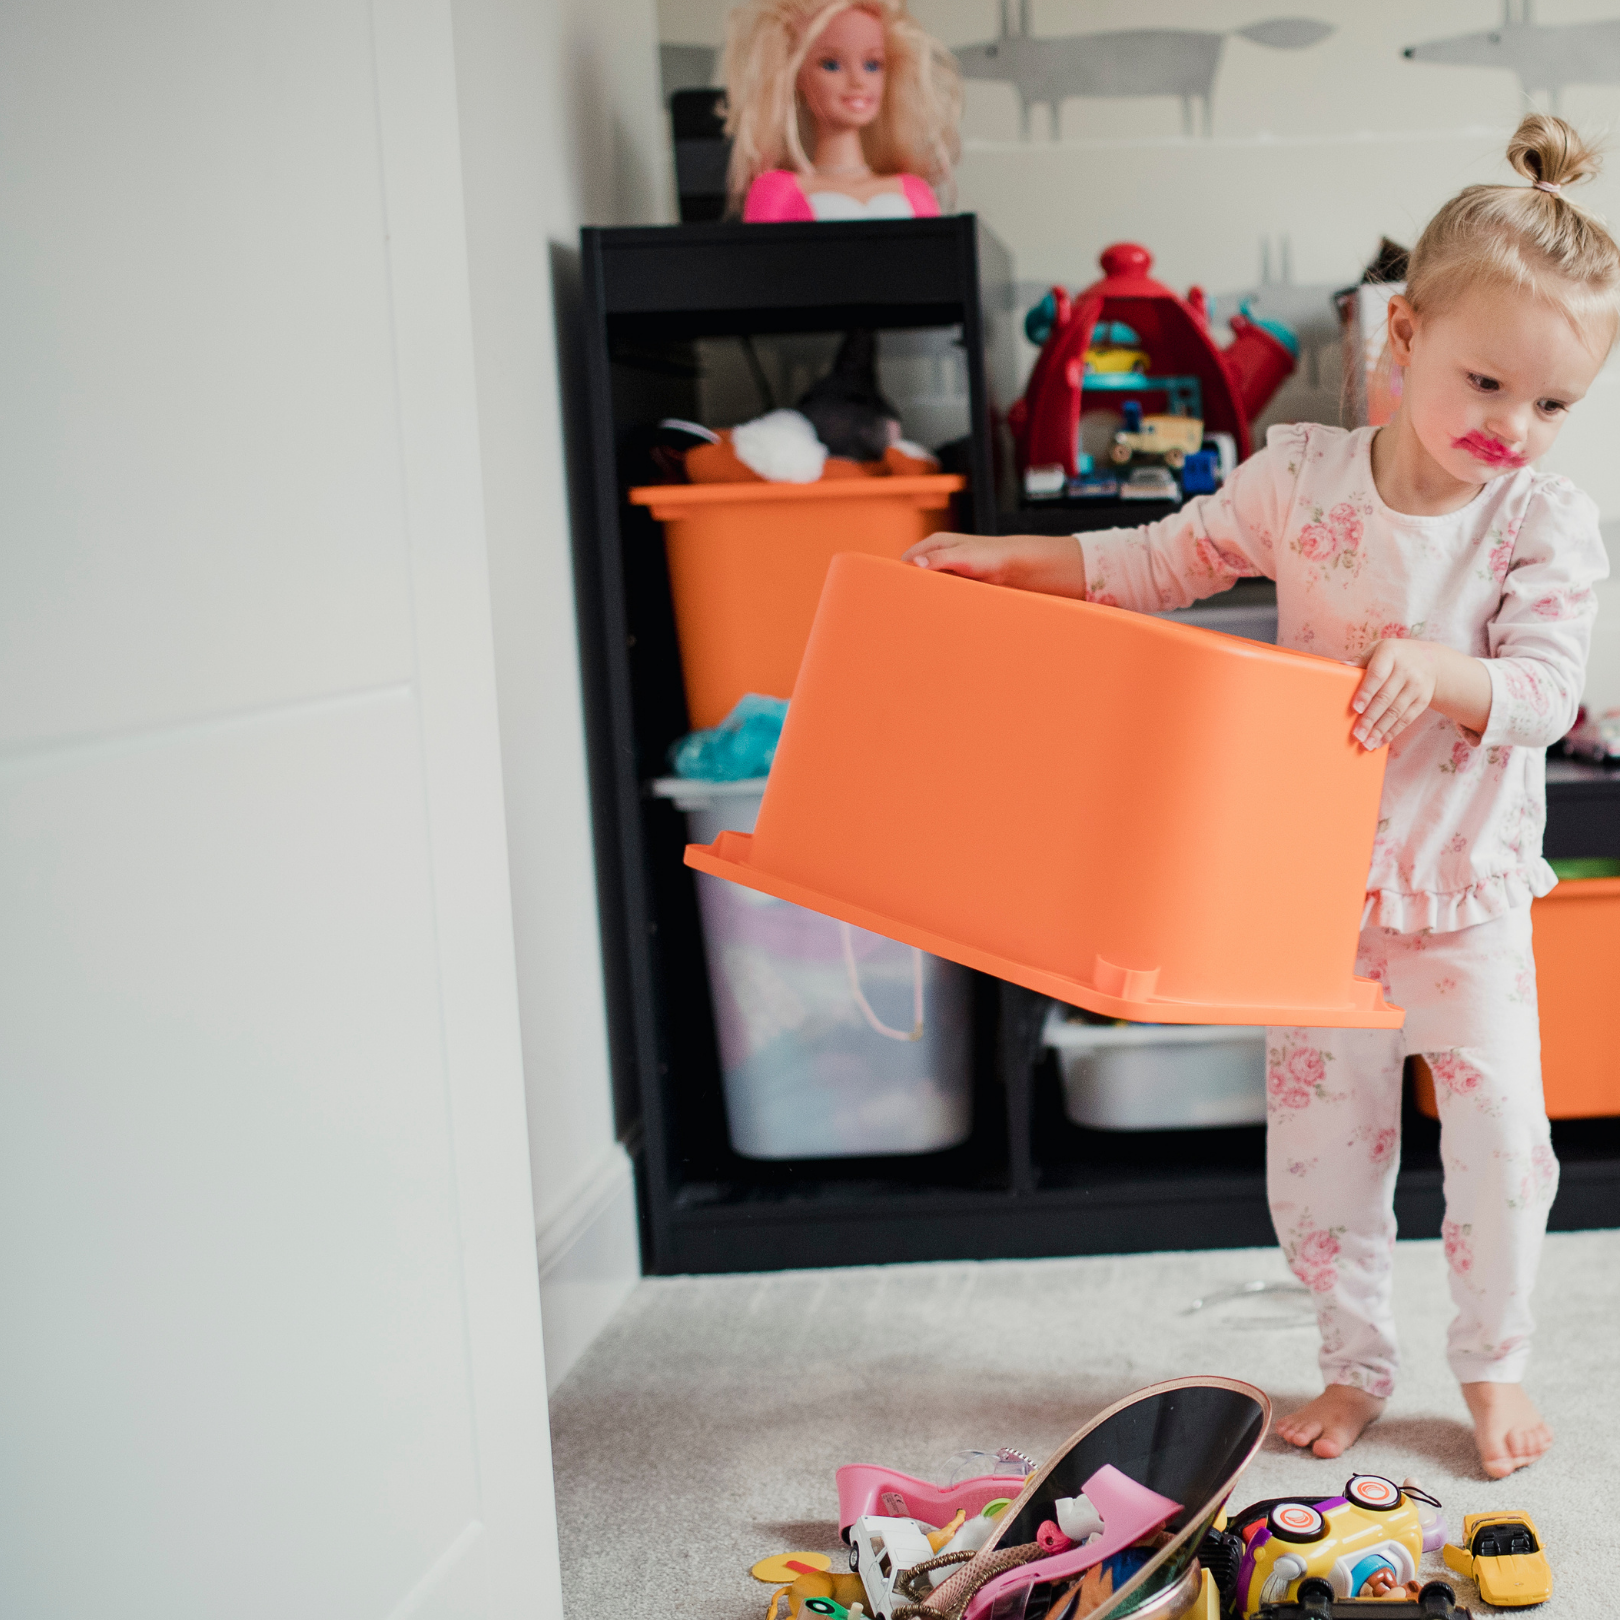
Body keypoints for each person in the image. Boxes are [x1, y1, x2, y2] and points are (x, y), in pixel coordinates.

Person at [903, 113, 1616, 1480]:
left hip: (1463, 900)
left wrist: (1445, 671)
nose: (1514, 429)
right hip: (1315, 894)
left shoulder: (1541, 521)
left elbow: (1546, 696)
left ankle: (1493, 1363)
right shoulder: (1301, 482)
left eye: (1553, 404)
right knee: (1322, 1160)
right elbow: (1157, 563)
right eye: (1486, 385)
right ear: (1403, 342)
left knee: (1501, 1150)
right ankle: (1352, 1366)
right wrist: (1014, 559)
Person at [719, 0, 960, 222]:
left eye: (872, 65)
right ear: (798, 75)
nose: (858, 81)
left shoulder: (913, 191)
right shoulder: (776, 192)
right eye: (831, 65)